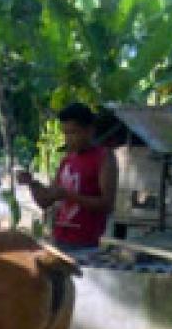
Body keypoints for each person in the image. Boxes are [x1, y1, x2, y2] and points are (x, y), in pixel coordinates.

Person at [18, 102, 116, 253]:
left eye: (73, 132)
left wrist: (68, 195)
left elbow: (107, 204)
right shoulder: (67, 160)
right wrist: (32, 183)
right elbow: (45, 201)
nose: (68, 138)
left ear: (89, 131)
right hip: (60, 239)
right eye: (65, 133)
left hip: (87, 243)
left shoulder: (104, 157)